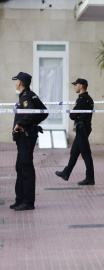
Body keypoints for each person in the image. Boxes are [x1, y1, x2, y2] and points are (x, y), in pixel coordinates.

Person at [10, 72, 48, 211]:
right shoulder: (31, 95)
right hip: (26, 135)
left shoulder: (26, 97)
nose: (15, 83)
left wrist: (22, 123)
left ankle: (28, 202)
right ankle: (20, 199)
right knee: (20, 167)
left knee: (25, 167)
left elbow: (33, 112)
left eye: (16, 81)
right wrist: (31, 124)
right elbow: (44, 111)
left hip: (25, 136)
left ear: (19, 83)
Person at [55, 78, 95, 185]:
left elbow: (72, 115)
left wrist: (76, 115)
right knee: (74, 152)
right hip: (85, 128)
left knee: (86, 154)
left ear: (81, 86)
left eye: (76, 84)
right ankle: (66, 173)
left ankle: (90, 178)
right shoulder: (89, 99)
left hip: (82, 129)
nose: (74, 86)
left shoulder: (82, 99)